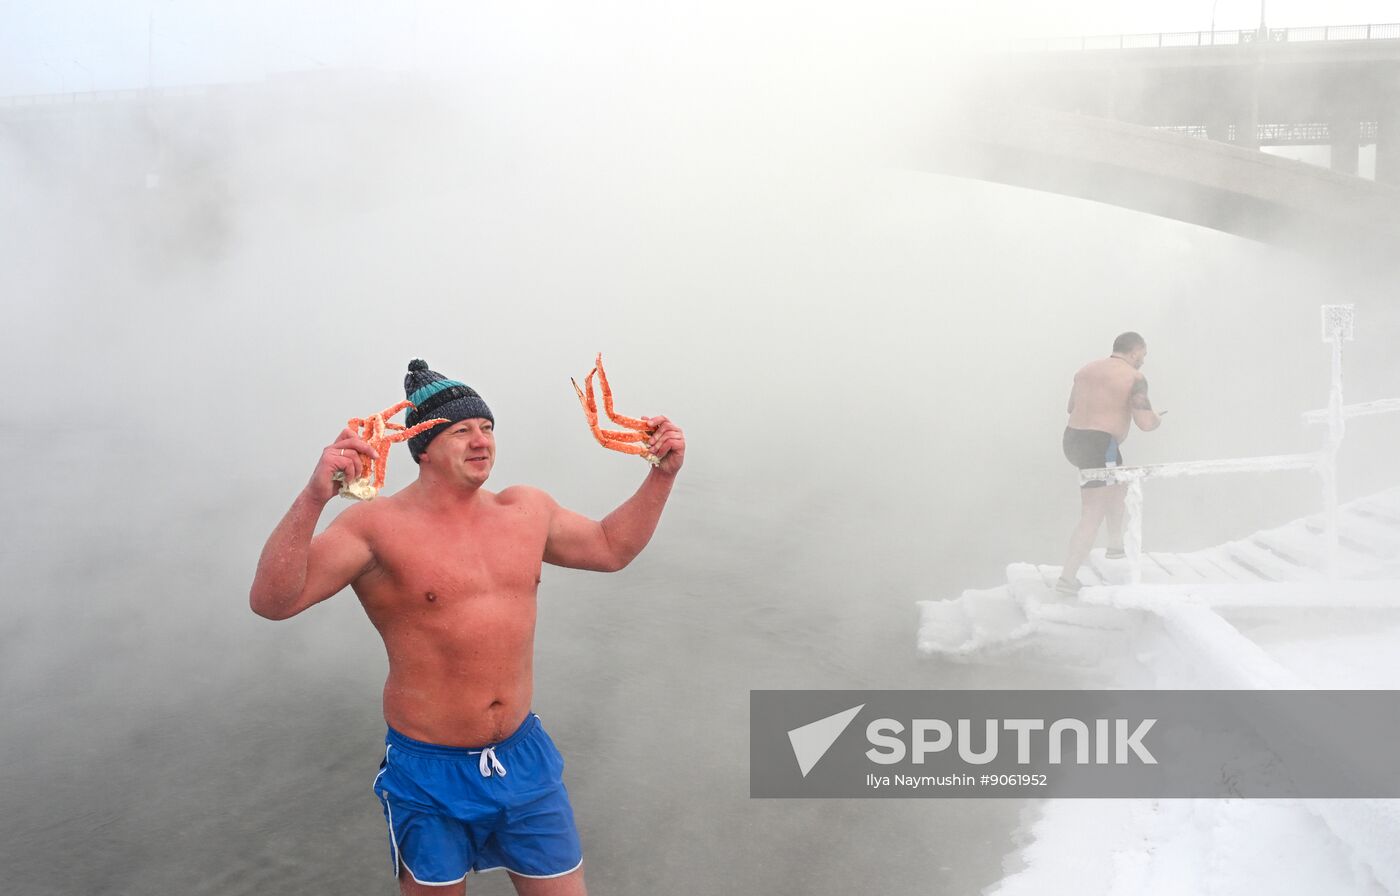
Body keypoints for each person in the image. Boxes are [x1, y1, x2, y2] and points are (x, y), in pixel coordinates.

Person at [249, 359, 685, 895]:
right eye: (462, 431)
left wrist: (661, 474)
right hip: (429, 773)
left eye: (487, 428)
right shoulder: (374, 526)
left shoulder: (525, 510)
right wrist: (314, 495)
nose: (481, 442)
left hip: (524, 762)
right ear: (424, 448)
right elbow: (273, 601)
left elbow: (611, 547)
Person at [1056, 332, 1161, 595]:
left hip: (1072, 438)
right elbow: (1146, 423)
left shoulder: (1086, 370)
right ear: (1135, 352)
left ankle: (1115, 544)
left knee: (1119, 481)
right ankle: (1066, 580)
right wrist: (1158, 417)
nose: (1143, 361)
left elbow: (1071, 407)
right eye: (1144, 356)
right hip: (1099, 445)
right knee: (1092, 512)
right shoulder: (1134, 378)